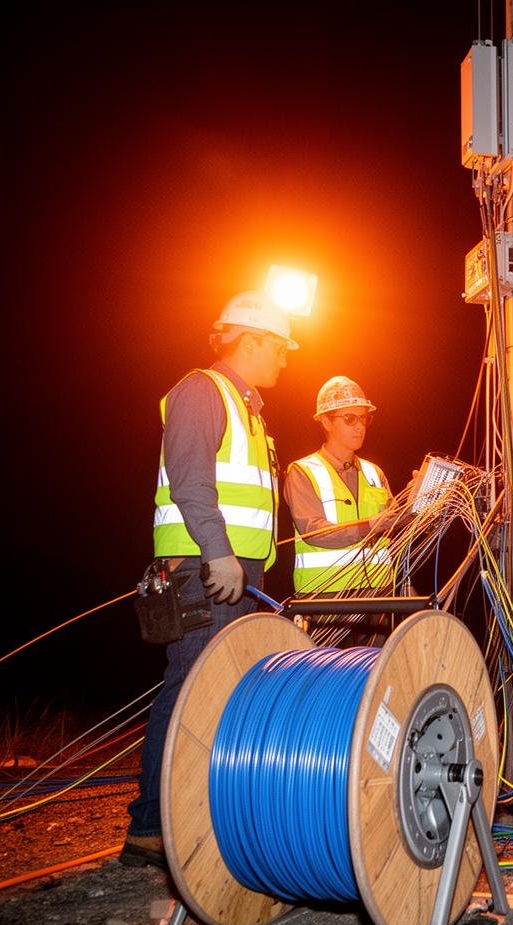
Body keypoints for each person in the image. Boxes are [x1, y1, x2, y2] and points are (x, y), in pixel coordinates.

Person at [122, 291, 296, 868]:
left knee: (219, 693)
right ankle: (150, 826)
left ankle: (193, 811)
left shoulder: (249, 407)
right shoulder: (202, 390)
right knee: (190, 687)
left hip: (234, 571)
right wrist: (219, 554)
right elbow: (190, 482)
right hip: (205, 568)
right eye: (278, 346)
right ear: (249, 339)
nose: (284, 359)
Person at [284, 376, 397, 596]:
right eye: (349, 419)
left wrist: (417, 496)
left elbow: (395, 522)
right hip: (325, 595)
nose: (360, 427)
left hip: (380, 592)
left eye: (363, 419)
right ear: (326, 421)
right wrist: (369, 526)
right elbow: (314, 531)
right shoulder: (303, 471)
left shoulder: (374, 472)